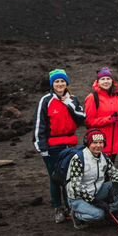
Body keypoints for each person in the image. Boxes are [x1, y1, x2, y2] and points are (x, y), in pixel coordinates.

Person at [33, 68, 85, 223]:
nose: (60, 84)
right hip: (53, 146)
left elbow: (82, 119)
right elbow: (39, 125)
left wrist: (69, 104)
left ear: (67, 83)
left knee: (70, 177)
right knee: (55, 178)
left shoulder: (73, 100)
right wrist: (41, 147)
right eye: (57, 81)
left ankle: (71, 207)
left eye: (62, 81)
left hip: (70, 144)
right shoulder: (46, 101)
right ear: (52, 84)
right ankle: (58, 208)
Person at [66, 129, 118, 230]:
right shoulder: (78, 159)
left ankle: (112, 212)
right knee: (99, 215)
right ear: (88, 144)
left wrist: (116, 184)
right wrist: (95, 201)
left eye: (101, 142)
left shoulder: (104, 156)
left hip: (97, 191)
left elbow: (114, 171)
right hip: (78, 197)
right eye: (94, 143)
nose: (98, 146)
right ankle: (76, 215)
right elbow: (76, 187)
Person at [84, 67, 118, 162]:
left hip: (115, 142)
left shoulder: (117, 95)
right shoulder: (92, 98)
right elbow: (89, 122)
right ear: (98, 81)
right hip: (99, 143)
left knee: (110, 171)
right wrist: (108, 119)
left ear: (112, 80)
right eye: (102, 79)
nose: (106, 81)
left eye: (108, 78)